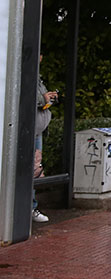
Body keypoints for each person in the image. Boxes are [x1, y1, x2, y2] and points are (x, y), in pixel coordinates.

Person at [33, 54, 57, 223]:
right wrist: (43, 99)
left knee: (35, 170)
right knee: (30, 170)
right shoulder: (24, 74)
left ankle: (31, 207)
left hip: (37, 131)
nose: (41, 58)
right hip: (29, 131)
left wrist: (49, 98)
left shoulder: (37, 77)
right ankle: (27, 208)